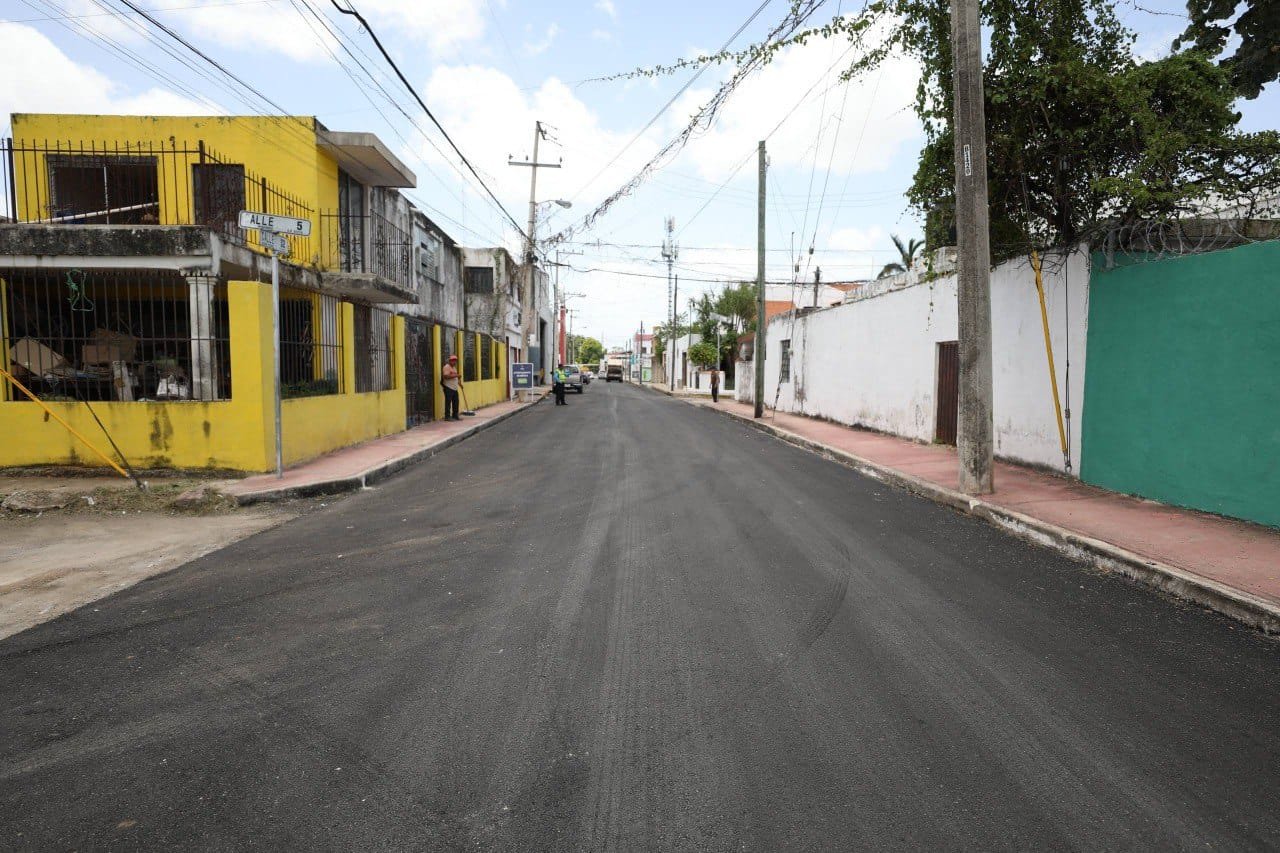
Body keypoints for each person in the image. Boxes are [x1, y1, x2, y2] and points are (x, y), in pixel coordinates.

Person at [442, 354, 461, 420]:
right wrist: (456, 376)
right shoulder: (447, 367)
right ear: (450, 361)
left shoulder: (454, 368)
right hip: (448, 387)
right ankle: (447, 416)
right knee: (448, 402)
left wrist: (459, 384)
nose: (454, 362)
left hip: (454, 388)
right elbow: (446, 376)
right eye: (453, 360)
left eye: (455, 360)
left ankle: (455, 415)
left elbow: (455, 378)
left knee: (456, 402)